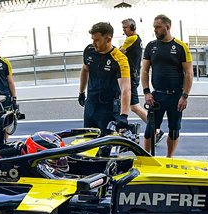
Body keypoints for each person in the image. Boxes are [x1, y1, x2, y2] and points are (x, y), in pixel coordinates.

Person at [141, 14, 194, 158]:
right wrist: (147, 92)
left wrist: (184, 96)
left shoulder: (180, 47)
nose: (155, 30)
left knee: (174, 130)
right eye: (154, 27)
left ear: (167, 27)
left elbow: (189, 73)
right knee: (149, 130)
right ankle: (147, 159)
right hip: (156, 96)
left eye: (158, 27)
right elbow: (144, 70)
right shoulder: (151, 46)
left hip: (176, 96)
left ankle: (169, 158)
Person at [78, 22, 131, 136]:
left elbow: (125, 88)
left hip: (109, 109)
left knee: (106, 148)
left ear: (108, 39)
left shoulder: (120, 59)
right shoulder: (89, 50)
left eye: (97, 40)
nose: (93, 43)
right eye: (92, 39)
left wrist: (124, 115)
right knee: (88, 142)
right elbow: (85, 69)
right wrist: (81, 92)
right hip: (91, 105)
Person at [120, 18, 164, 145]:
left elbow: (118, 53)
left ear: (133, 27)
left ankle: (155, 130)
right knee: (132, 106)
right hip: (132, 75)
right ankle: (155, 129)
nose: (124, 30)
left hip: (129, 76)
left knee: (131, 106)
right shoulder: (137, 39)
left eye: (126, 28)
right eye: (123, 28)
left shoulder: (131, 39)